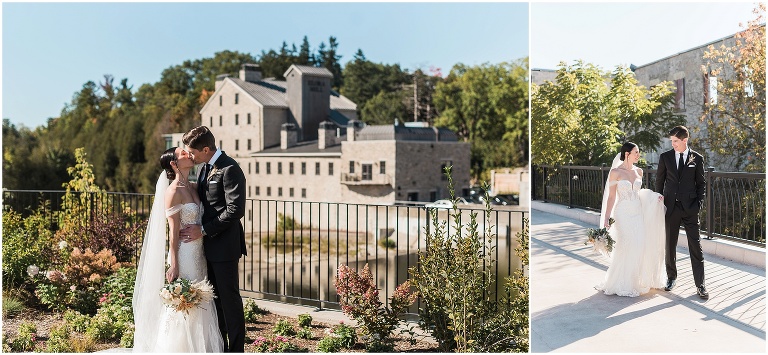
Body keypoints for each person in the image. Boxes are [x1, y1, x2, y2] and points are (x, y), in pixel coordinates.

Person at [132, 147, 224, 352]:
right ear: (174, 164)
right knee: (186, 301)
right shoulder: (173, 192)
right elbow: (172, 233)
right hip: (185, 255)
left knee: (202, 300)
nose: (189, 155)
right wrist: (174, 264)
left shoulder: (193, 186)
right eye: (183, 153)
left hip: (200, 253)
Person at [179, 126, 247, 352]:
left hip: (225, 247)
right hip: (205, 248)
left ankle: (236, 350)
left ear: (206, 149)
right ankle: (221, 348)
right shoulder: (204, 168)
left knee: (230, 302)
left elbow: (235, 210)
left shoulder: (230, 169)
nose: (190, 156)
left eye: (192, 152)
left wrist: (204, 230)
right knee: (215, 302)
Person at [596, 142, 666, 297]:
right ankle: (622, 283)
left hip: (637, 212)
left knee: (639, 244)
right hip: (623, 213)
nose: (638, 155)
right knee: (627, 245)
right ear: (627, 154)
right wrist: (607, 217)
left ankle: (634, 280)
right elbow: (612, 196)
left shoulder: (639, 171)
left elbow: (640, 193)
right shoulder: (615, 172)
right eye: (636, 152)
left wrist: (655, 197)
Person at [655, 126, 708, 299]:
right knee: (670, 244)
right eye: (672, 141)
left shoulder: (697, 159)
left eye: (675, 141)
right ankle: (671, 277)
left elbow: (701, 184)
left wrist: (698, 205)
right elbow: (659, 183)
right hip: (671, 208)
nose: (673, 144)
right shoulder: (665, 157)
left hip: (691, 208)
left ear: (685, 140)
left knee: (696, 246)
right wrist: (660, 203)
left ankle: (700, 285)